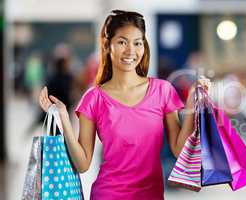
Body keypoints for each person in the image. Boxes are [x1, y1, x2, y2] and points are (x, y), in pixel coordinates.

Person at [37, 10, 210, 200]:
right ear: (107, 45)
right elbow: (83, 164)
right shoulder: (94, 98)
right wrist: (63, 118)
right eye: (122, 42)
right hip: (107, 194)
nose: (130, 50)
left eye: (137, 43)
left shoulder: (163, 91)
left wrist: (193, 104)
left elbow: (179, 149)